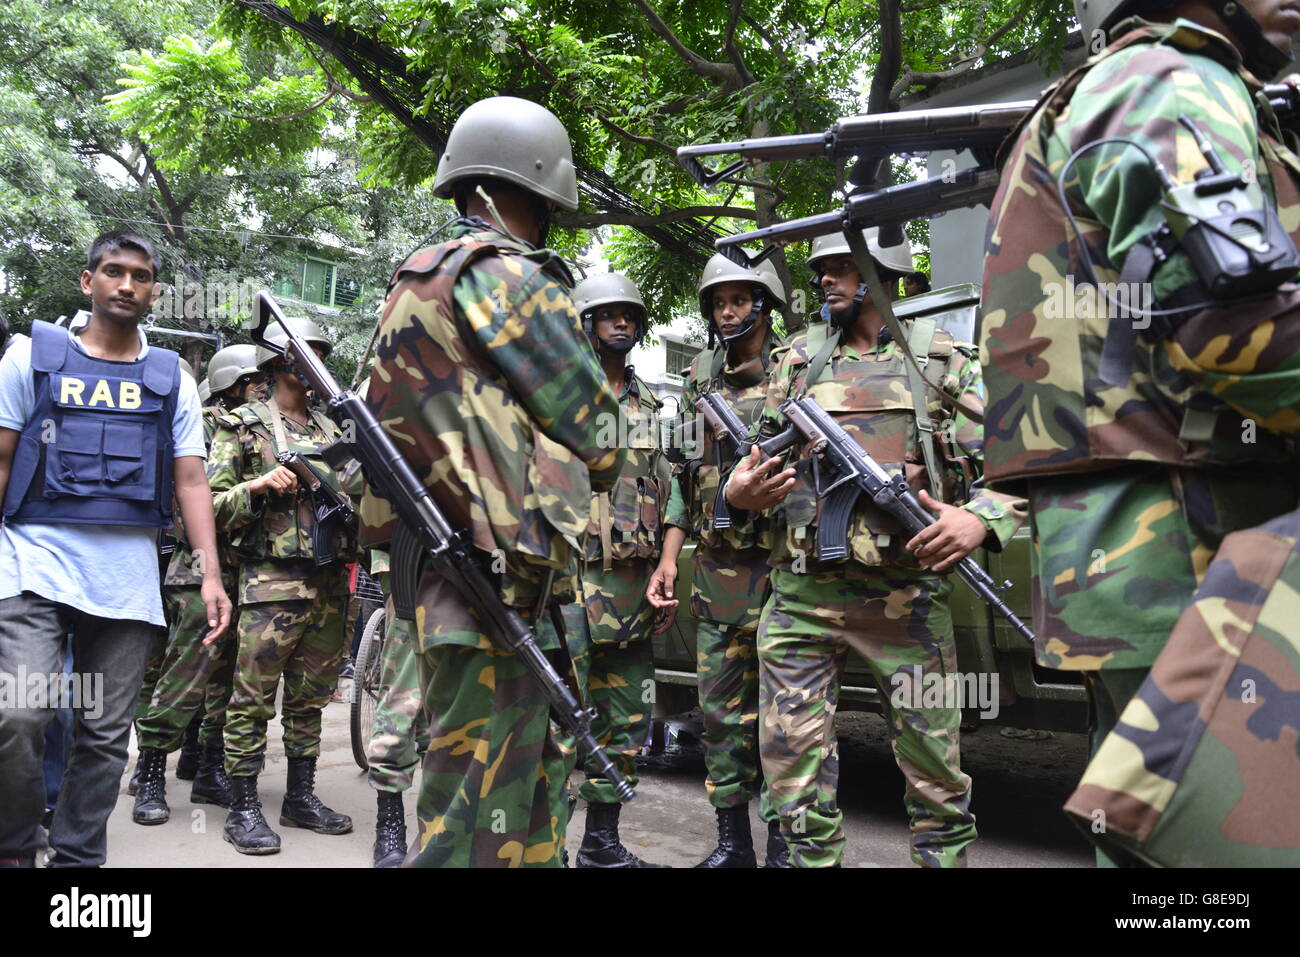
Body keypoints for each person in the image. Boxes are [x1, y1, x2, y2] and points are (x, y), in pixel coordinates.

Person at [979, 0, 1300, 865]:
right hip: (1203, 544)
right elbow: (1244, 325)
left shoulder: (1127, 86)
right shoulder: (1168, 78)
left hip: (1167, 548)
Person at [358, 96, 624, 868]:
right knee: (475, 804)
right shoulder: (506, 274)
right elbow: (596, 430)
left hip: (443, 575)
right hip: (493, 579)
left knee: (498, 797)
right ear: (531, 194)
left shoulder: (417, 283)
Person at [727, 227, 1025, 868]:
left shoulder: (943, 360)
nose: (826, 280)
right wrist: (738, 493)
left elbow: (1015, 464)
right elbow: (754, 460)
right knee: (792, 773)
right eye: (822, 270)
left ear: (882, 275)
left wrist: (980, 519)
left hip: (908, 598)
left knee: (935, 773)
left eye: (842, 267)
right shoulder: (794, 361)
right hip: (802, 595)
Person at [0, 229, 231, 868]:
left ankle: (77, 865)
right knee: (18, 716)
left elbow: (191, 480)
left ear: (154, 290)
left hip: (126, 581)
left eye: (139, 275)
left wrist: (211, 575)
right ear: (88, 281)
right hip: (30, 565)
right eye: (112, 272)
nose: (126, 284)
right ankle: (15, 847)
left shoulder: (171, 380)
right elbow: (2, 461)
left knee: (103, 737)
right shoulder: (30, 358)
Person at [647, 254, 788, 868]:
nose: (727, 312)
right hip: (719, 575)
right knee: (722, 717)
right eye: (718, 303)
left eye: (739, 300)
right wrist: (669, 560)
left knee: (789, 726)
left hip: (788, 572)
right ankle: (733, 846)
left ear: (764, 305)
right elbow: (682, 479)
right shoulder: (699, 378)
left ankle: (786, 849)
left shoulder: (798, 368)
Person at [207, 319, 356, 855]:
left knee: (310, 698)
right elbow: (209, 504)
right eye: (310, 354)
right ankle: (243, 807)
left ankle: (300, 797)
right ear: (282, 361)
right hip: (272, 581)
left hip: (330, 579)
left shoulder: (334, 428)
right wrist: (259, 485)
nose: (319, 365)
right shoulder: (243, 424)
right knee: (251, 697)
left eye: (322, 354)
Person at [131, 344, 268, 823]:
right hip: (199, 563)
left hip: (245, 565)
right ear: (235, 385)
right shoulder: (208, 421)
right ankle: (151, 773)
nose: (262, 387)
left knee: (227, 679)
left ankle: (209, 769)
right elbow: (191, 492)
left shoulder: (258, 427)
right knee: (188, 669)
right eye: (254, 381)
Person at [562, 272, 669, 868]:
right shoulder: (558, 394)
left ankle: (601, 845)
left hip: (630, 587)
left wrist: (667, 565)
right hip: (568, 586)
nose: (621, 323)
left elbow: (673, 489)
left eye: (629, 314)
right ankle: (542, 847)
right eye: (608, 315)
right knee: (556, 725)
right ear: (585, 323)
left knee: (625, 723)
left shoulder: (652, 403)